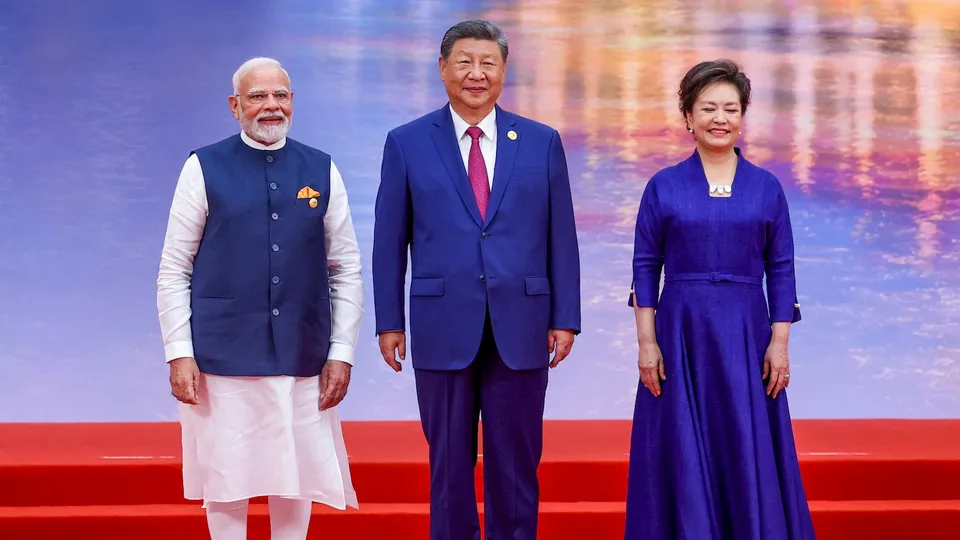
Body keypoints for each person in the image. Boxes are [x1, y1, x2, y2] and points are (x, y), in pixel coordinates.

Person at [371, 19, 581, 540]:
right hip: (442, 322)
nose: (476, 73)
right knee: (448, 466)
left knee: (516, 466)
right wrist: (388, 321)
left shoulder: (541, 141)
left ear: (505, 70)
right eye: (464, 61)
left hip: (524, 323)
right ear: (442, 68)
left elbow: (562, 238)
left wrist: (566, 317)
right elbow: (388, 241)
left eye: (488, 62)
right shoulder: (407, 143)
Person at [156, 57, 363, 540]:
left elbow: (346, 268)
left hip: (303, 354)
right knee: (227, 481)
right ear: (235, 106)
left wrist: (342, 352)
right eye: (257, 96)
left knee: (297, 480)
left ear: (293, 102)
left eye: (281, 96)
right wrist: (179, 352)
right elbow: (173, 268)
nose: (271, 106)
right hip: (224, 355)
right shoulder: (202, 167)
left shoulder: (321, 169)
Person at [624, 59, 816, 540]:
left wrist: (781, 343)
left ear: (743, 115)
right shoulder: (663, 185)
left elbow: (782, 268)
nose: (719, 117)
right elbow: (646, 267)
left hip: (748, 333)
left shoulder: (767, 187)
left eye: (730, 108)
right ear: (687, 116)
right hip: (680, 332)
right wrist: (647, 344)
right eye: (707, 107)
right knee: (682, 443)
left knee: (746, 440)